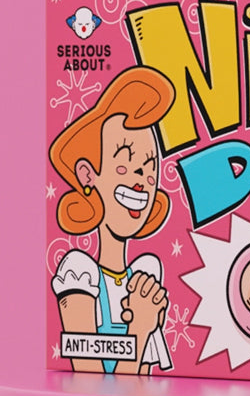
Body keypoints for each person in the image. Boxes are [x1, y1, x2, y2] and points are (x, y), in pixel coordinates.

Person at [48, 67, 175, 375]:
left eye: (149, 167)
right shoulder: (79, 272)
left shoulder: (146, 272)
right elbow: (88, 377)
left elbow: (143, 382)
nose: (141, 178)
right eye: (125, 162)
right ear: (88, 175)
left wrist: (147, 321)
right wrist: (141, 324)